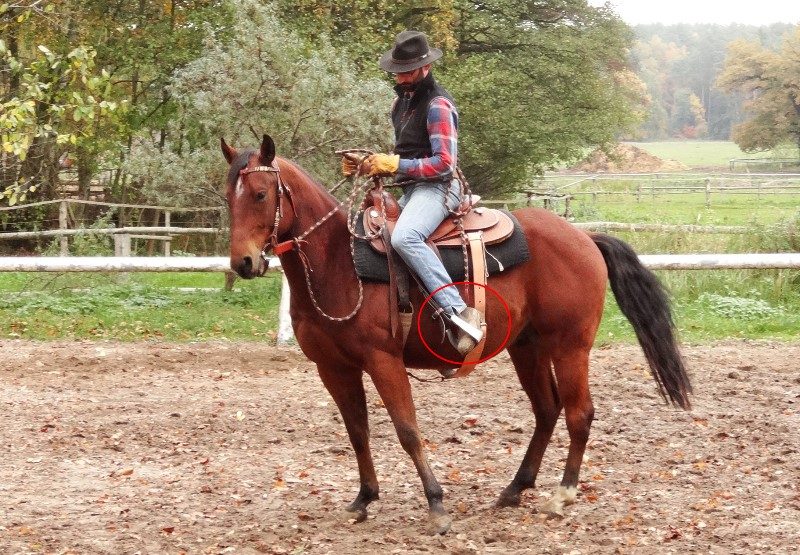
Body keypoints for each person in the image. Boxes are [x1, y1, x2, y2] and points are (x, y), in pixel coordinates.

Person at [343, 30, 482, 357]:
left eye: (408, 70)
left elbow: (445, 164)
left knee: (405, 237)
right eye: (398, 70)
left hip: (440, 189)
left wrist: (392, 164)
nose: (402, 76)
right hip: (414, 190)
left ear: (425, 68)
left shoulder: (438, 105)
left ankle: (459, 313)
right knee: (369, 232)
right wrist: (369, 165)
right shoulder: (399, 104)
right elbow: (407, 156)